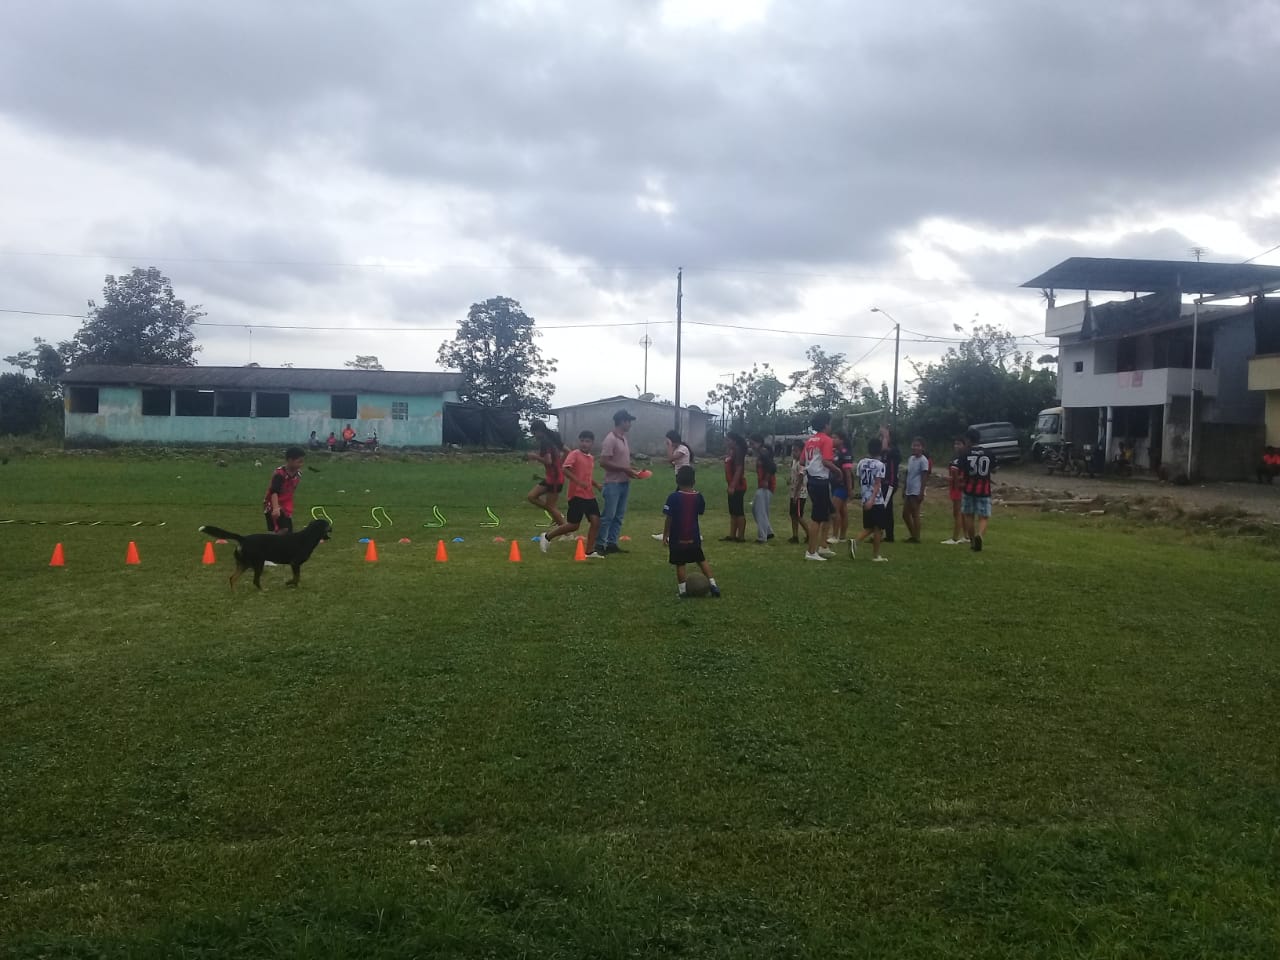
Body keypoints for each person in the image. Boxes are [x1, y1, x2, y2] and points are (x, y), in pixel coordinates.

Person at [540, 430, 604, 558]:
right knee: (573, 525)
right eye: (582, 441)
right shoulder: (575, 454)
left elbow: (586, 476)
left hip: (589, 495)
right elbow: (564, 469)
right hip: (576, 495)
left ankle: (589, 551)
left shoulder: (591, 458)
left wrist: (596, 485)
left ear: (592, 443)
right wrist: (578, 482)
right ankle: (547, 536)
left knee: (596, 522)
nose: (584, 444)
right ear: (579, 441)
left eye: (587, 441)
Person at [663, 465, 721, 598]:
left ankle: (683, 591)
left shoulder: (673, 497)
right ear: (694, 481)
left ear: (677, 481)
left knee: (680, 564)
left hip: (677, 538)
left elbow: (669, 518)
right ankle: (713, 585)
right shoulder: (698, 497)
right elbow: (700, 511)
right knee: (701, 560)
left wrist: (666, 534)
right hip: (694, 537)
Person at [597, 409, 642, 554]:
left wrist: (631, 469)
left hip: (624, 482)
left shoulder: (623, 438)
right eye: (628, 421)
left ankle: (612, 543)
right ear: (622, 421)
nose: (630, 424)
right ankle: (599, 544)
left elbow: (621, 461)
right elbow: (603, 462)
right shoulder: (610, 439)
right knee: (608, 515)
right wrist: (624, 469)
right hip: (613, 483)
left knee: (618, 516)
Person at [801, 412, 841, 560]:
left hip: (811, 480)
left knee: (829, 512)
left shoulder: (810, 440)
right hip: (820, 481)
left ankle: (823, 546)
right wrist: (838, 471)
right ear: (826, 425)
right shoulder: (827, 440)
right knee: (817, 518)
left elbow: (802, 461)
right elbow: (826, 461)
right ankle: (811, 552)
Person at [850, 436, 890, 561]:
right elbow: (877, 484)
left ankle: (856, 542)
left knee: (869, 527)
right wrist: (873, 499)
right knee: (878, 528)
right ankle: (875, 555)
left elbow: (860, 479)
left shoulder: (861, 463)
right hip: (876, 500)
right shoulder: (880, 465)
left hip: (865, 497)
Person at [526, 419, 567, 528]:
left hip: (555, 478)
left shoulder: (545, 442)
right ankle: (556, 515)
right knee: (531, 496)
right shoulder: (553, 438)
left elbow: (548, 461)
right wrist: (560, 465)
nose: (534, 436)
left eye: (534, 433)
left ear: (539, 431)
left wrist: (534, 456)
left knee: (550, 507)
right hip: (551, 477)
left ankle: (567, 531)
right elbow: (568, 451)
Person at [962, 426, 994, 551]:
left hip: (969, 488)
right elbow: (994, 469)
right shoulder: (989, 453)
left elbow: (962, 471)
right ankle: (979, 535)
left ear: (968, 440)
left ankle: (972, 542)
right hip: (984, 489)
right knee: (983, 516)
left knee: (969, 515)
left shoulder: (965, 454)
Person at [262, 446, 305, 533]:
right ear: (290, 460)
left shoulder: (298, 474)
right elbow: (274, 492)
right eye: (299, 462)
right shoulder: (280, 474)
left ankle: (270, 539)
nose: (301, 464)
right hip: (273, 504)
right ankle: (268, 540)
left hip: (286, 506)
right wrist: (275, 508)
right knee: (283, 529)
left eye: (302, 462)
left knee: (288, 532)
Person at [902, 437, 930, 543]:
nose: (915, 447)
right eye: (914, 445)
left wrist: (921, 492)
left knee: (915, 513)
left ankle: (916, 537)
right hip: (909, 489)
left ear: (922, 448)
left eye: (918, 445)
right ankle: (913, 534)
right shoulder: (911, 459)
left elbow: (924, 477)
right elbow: (908, 474)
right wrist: (904, 488)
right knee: (905, 514)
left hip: (916, 490)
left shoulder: (923, 460)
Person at [749, 433, 776, 543]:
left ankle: (762, 536)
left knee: (760, 510)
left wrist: (766, 480)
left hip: (766, 485)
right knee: (756, 508)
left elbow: (772, 467)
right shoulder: (762, 453)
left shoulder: (763, 453)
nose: (751, 446)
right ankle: (768, 531)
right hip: (763, 484)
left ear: (759, 443)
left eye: (752, 443)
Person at [941, 436, 968, 544]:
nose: (956, 446)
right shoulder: (955, 458)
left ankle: (955, 538)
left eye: (959, 444)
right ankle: (966, 536)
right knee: (962, 513)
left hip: (959, 487)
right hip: (953, 487)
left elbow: (965, 475)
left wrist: (951, 478)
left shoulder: (964, 458)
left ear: (964, 445)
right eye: (955, 444)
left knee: (957, 512)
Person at [722, 432, 748, 541]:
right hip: (732, 484)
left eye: (728, 440)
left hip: (738, 485)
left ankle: (741, 536)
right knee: (733, 511)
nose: (726, 442)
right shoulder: (732, 451)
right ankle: (732, 535)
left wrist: (733, 485)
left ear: (734, 441)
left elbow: (739, 469)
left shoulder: (738, 451)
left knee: (738, 511)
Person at [830, 430, 854, 542]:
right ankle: (842, 537)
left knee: (835, 509)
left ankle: (835, 535)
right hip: (835, 484)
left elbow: (848, 473)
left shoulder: (846, 453)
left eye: (835, 437)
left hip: (842, 485)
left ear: (841, 440)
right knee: (842, 510)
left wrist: (849, 489)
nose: (832, 440)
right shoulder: (836, 452)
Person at [879, 426, 902, 543]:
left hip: (890, 484)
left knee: (884, 507)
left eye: (885, 436)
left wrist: (885, 435)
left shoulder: (894, 450)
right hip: (883, 483)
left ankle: (886, 535)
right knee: (885, 508)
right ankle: (886, 535)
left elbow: (884, 449)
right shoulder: (883, 451)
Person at [787, 439, 810, 544]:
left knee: (798, 515)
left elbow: (801, 478)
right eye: (793, 450)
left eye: (796, 451)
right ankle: (795, 536)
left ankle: (810, 533)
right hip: (793, 492)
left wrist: (796, 494)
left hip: (800, 493)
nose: (794, 453)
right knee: (793, 514)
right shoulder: (794, 462)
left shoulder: (802, 463)